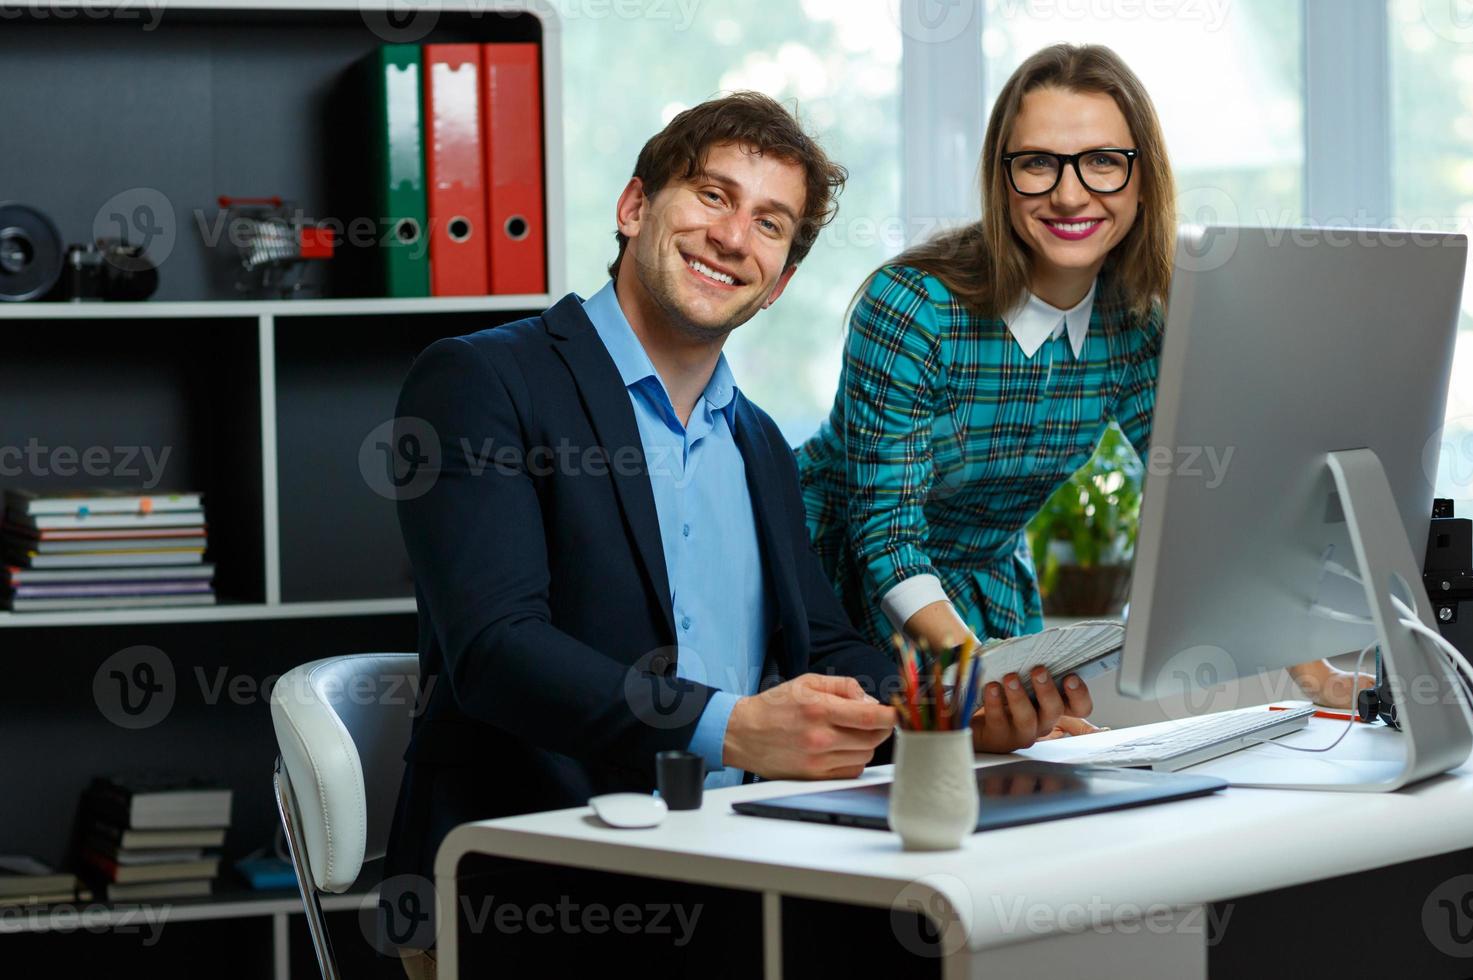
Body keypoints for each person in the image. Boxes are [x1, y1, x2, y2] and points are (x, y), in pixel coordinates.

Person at [381, 91, 1092, 979]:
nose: (732, 237)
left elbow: (826, 644)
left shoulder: (758, 442)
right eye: (712, 196)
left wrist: (953, 717)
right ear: (636, 207)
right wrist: (732, 728)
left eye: (769, 223)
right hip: (530, 875)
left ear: (781, 279)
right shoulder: (484, 381)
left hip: (731, 861)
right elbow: (495, 650)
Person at [796, 44, 1372, 722]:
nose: (1070, 194)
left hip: (982, 599)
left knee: (1029, 789)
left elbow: (1205, 500)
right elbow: (886, 536)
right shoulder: (913, 306)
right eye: (1037, 163)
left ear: (1142, 182)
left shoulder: (1133, 327)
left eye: (1103, 162)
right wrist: (976, 677)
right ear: (1001, 179)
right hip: (833, 583)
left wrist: (1317, 675)